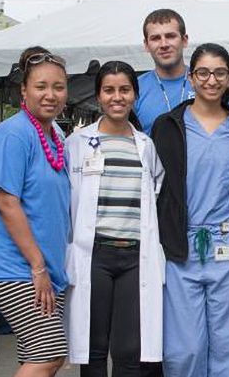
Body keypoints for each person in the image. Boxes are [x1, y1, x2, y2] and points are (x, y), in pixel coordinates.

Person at [151, 43, 229, 377]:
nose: (211, 80)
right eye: (203, 73)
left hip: (227, 245)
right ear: (191, 77)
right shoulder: (168, 126)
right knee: (184, 349)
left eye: (220, 73)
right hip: (180, 246)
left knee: (227, 344)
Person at [0, 47, 74, 377]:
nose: (50, 95)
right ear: (24, 90)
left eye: (58, 87)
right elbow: (5, 202)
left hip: (43, 265)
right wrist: (37, 265)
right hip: (17, 265)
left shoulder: (55, 135)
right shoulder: (13, 133)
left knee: (40, 353)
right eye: (41, 86)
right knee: (49, 353)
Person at [66, 61, 165, 376]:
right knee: (93, 348)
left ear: (135, 95)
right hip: (94, 255)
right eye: (109, 90)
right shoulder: (77, 144)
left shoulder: (146, 147)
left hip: (135, 257)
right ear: (98, 96)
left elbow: (157, 193)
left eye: (124, 90)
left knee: (129, 350)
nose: (117, 97)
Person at [134, 9, 192, 130]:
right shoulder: (135, 88)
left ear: (184, 40)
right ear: (146, 45)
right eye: (155, 38)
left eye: (170, 36)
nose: (164, 44)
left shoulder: (206, 81)